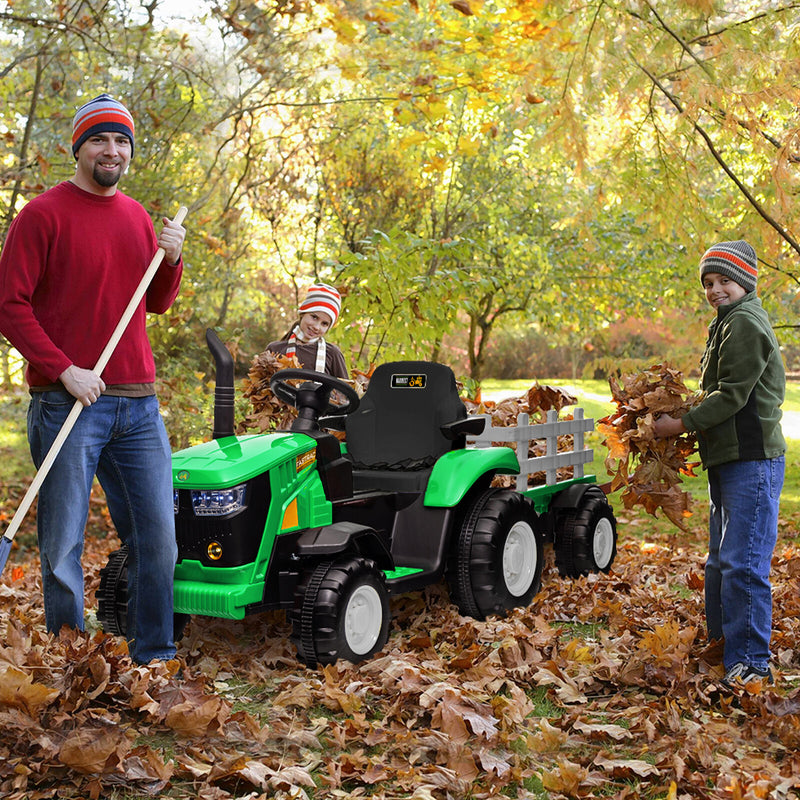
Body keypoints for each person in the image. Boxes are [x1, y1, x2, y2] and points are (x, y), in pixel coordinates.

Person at [0, 93, 186, 665]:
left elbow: (154, 302)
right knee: (62, 546)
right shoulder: (42, 215)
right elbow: (9, 305)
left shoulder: (136, 217)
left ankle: (154, 654)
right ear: (78, 148)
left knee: (158, 538)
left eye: (121, 141)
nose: (112, 150)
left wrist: (172, 260)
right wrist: (64, 370)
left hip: (139, 404)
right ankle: (70, 660)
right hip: (67, 403)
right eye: (100, 139)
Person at [653, 239, 785, 689]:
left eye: (724, 280)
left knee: (743, 563)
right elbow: (713, 390)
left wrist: (679, 424)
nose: (714, 290)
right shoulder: (726, 322)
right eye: (708, 283)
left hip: (752, 459)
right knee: (720, 562)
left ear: (745, 281)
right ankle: (722, 645)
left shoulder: (745, 322)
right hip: (728, 458)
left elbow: (731, 395)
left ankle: (751, 662)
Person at [267, 283, 349, 378]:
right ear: (303, 313)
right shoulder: (275, 350)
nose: (317, 327)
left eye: (324, 323)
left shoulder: (332, 354)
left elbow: (344, 386)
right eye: (314, 317)